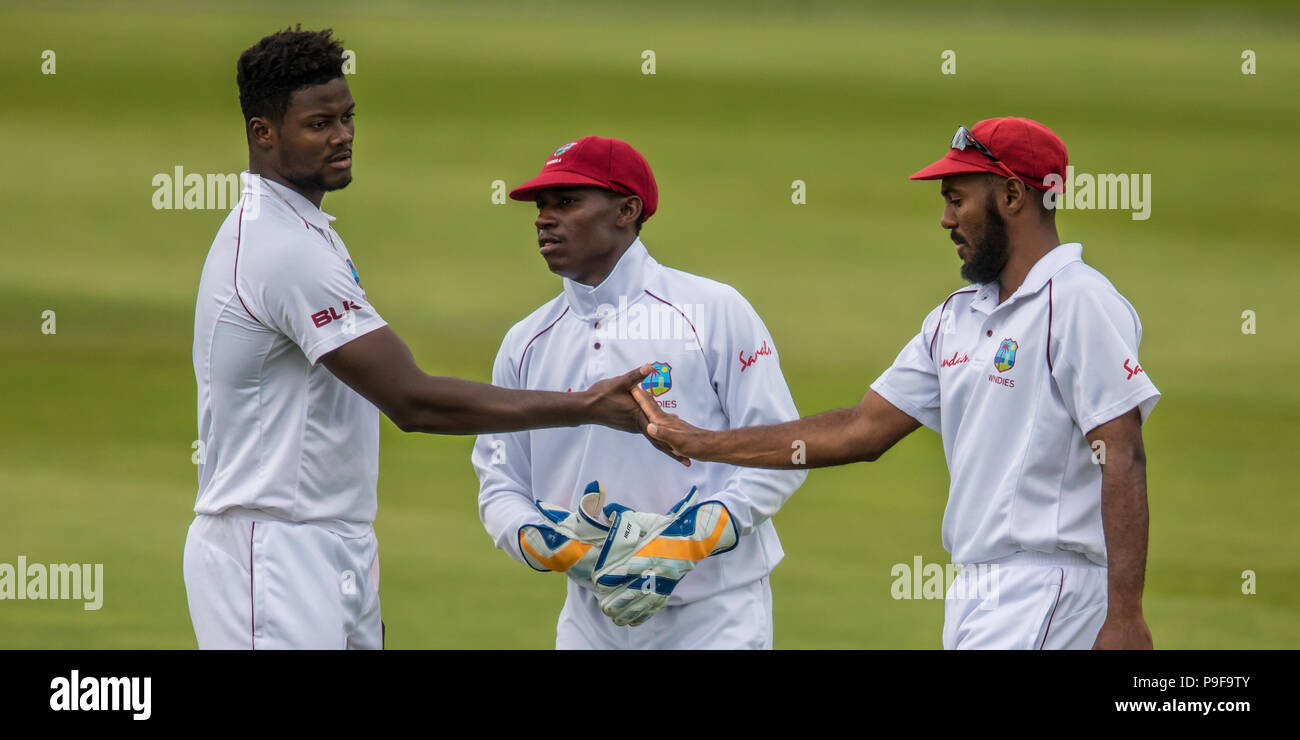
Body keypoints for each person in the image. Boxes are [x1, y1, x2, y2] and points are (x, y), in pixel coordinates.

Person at [185, 28, 658, 650]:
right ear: (263, 133)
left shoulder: (306, 229)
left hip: (329, 540)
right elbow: (413, 401)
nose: (342, 136)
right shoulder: (279, 247)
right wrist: (583, 406)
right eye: (318, 123)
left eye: (347, 117)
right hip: (271, 549)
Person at [633, 117, 1160, 650]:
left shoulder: (1077, 302)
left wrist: (1124, 617)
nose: (945, 219)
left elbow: (1121, 453)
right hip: (978, 589)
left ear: (1013, 195)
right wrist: (704, 443)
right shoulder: (956, 318)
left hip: (1049, 586)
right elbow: (860, 429)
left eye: (957, 200)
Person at [473, 136, 807, 649]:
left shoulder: (712, 310)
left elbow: (782, 449)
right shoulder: (526, 341)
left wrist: (688, 542)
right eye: (541, 206)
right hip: (591, 616)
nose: (544, 219)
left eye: (566, 202)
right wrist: (546, 545)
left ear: (627, 210)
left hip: (714, 612)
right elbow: (499, 479)